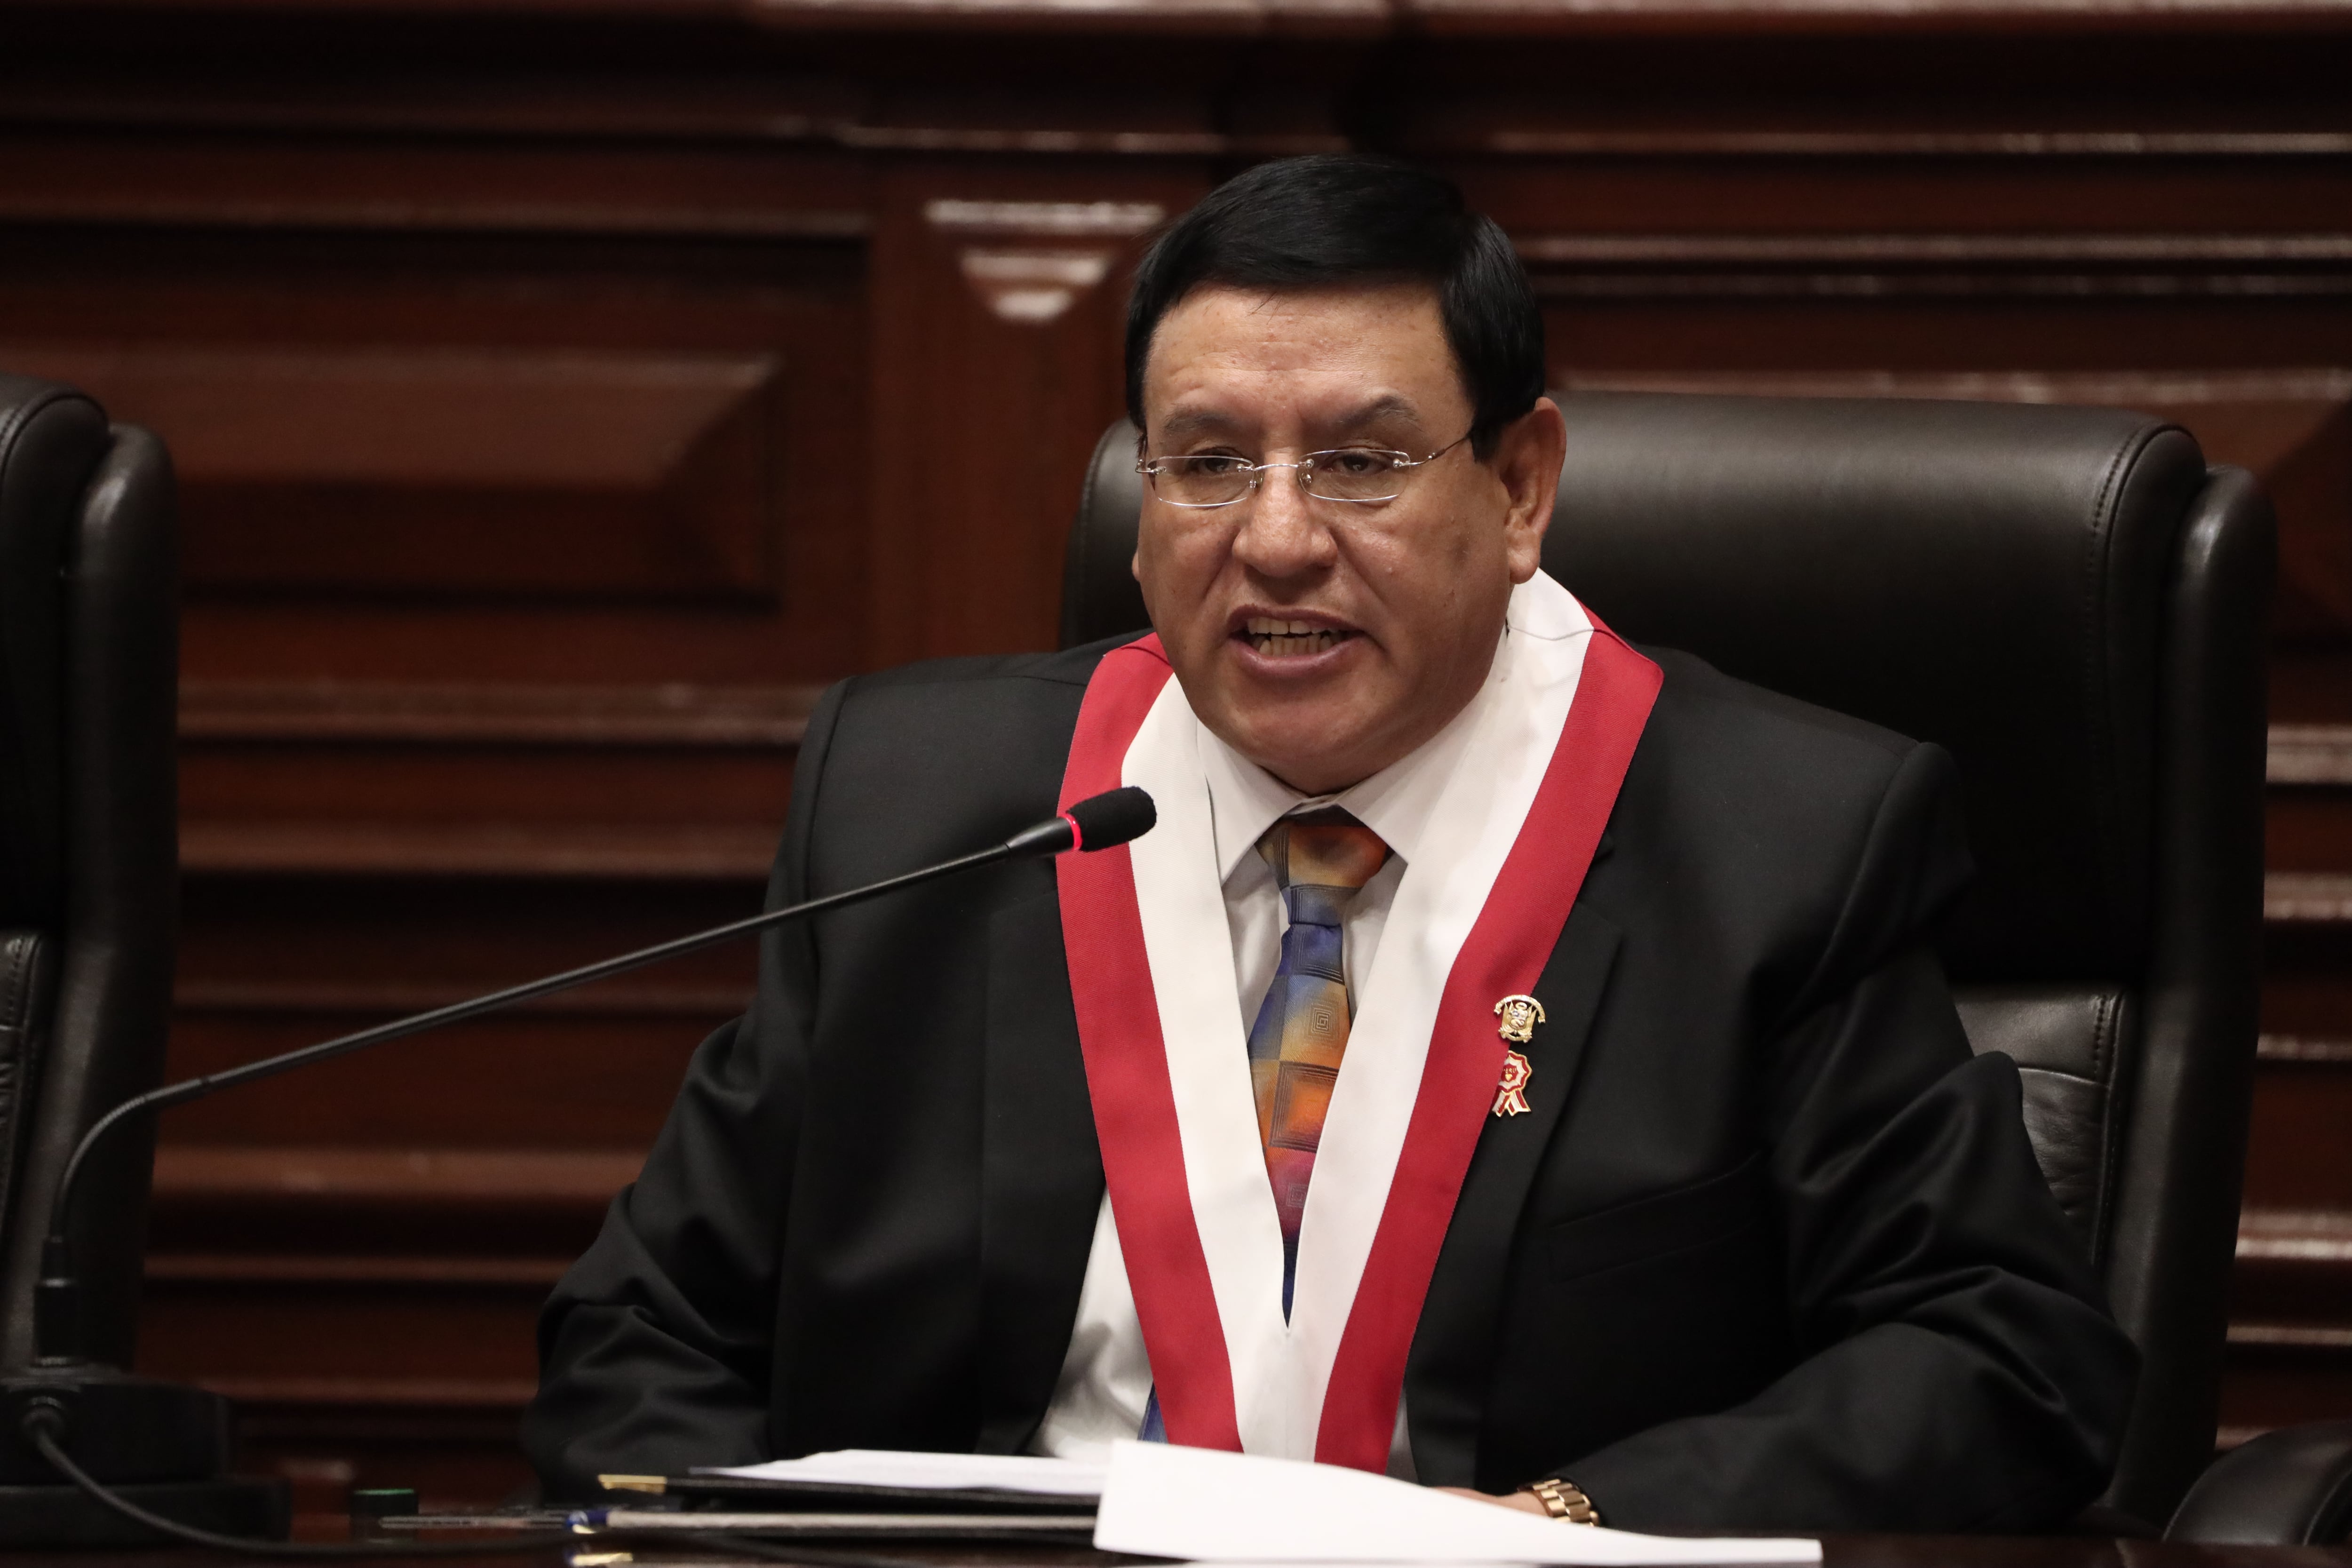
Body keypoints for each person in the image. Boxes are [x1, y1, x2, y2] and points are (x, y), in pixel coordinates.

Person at [524, 155, 2136, 1532]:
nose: (1279, 540)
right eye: (1211, 463)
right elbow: (643, 1331)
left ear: (1520, 489)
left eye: (1360, 463)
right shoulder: (923, 806)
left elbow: (1996, 1356)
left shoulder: (1779, 845)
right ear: (1143, 503)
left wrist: (1561, 1536)